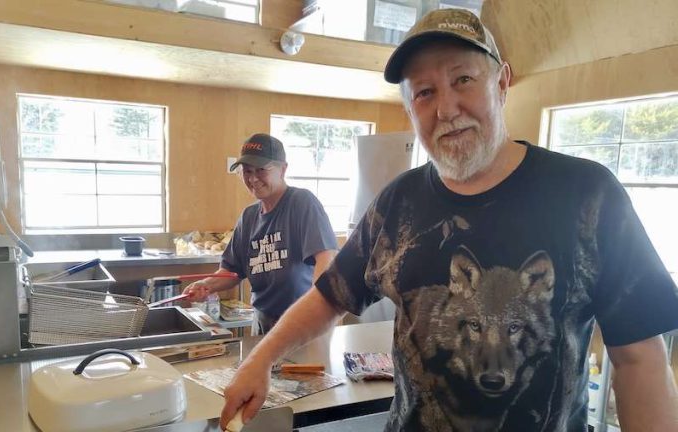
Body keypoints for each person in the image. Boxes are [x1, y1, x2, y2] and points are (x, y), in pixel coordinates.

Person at [220, 8, 678, 431]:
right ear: (410, 109)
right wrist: (259, 360)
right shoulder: (396, 204)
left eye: (463, 79)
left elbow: (639, 360)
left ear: (502, 82)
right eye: (425, 92)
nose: (446, 108)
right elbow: (329, 297)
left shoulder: (587, 196)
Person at [183, 133, 337, 335]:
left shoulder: (302, 202)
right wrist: (206, 285)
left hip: (303, 321)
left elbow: (327, 259)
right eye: (247, 171)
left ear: (283, 169)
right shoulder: (248, 217)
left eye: (261, 170)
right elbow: (232, 272)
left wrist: (318, 311)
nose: (253, 178)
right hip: (262, 320)